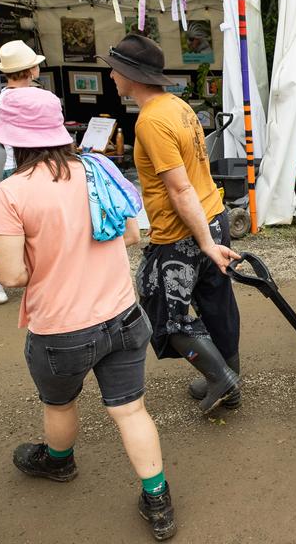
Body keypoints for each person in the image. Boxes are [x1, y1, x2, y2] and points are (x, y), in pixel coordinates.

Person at [0, 88, 176, 541]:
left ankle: (58, 461)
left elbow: (10, 274)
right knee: (131, 411)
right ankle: (158, 499)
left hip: (60, 330)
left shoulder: (9, 193)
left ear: (13, 140)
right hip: (125, 316)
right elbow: (131, 234)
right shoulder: (99, 169)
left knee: (60, 402)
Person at [102, 34, 242, 414]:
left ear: (131, 74)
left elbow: (180, 189)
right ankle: (230, 378)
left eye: (114, 69)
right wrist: (211, 239)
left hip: (183, 230)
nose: (111, 75)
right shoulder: (178, 106)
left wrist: (203, 243)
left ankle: (220, 378)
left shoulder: (150, 121)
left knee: (161, 310)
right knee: (217, 303)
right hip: (212, 214)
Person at [0, 40, 46, 305]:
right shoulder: (27, 97)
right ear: (32, 70)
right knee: (23, 227)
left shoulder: (4, 96)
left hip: (16, 167)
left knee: (21, 226)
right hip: (23, 167)